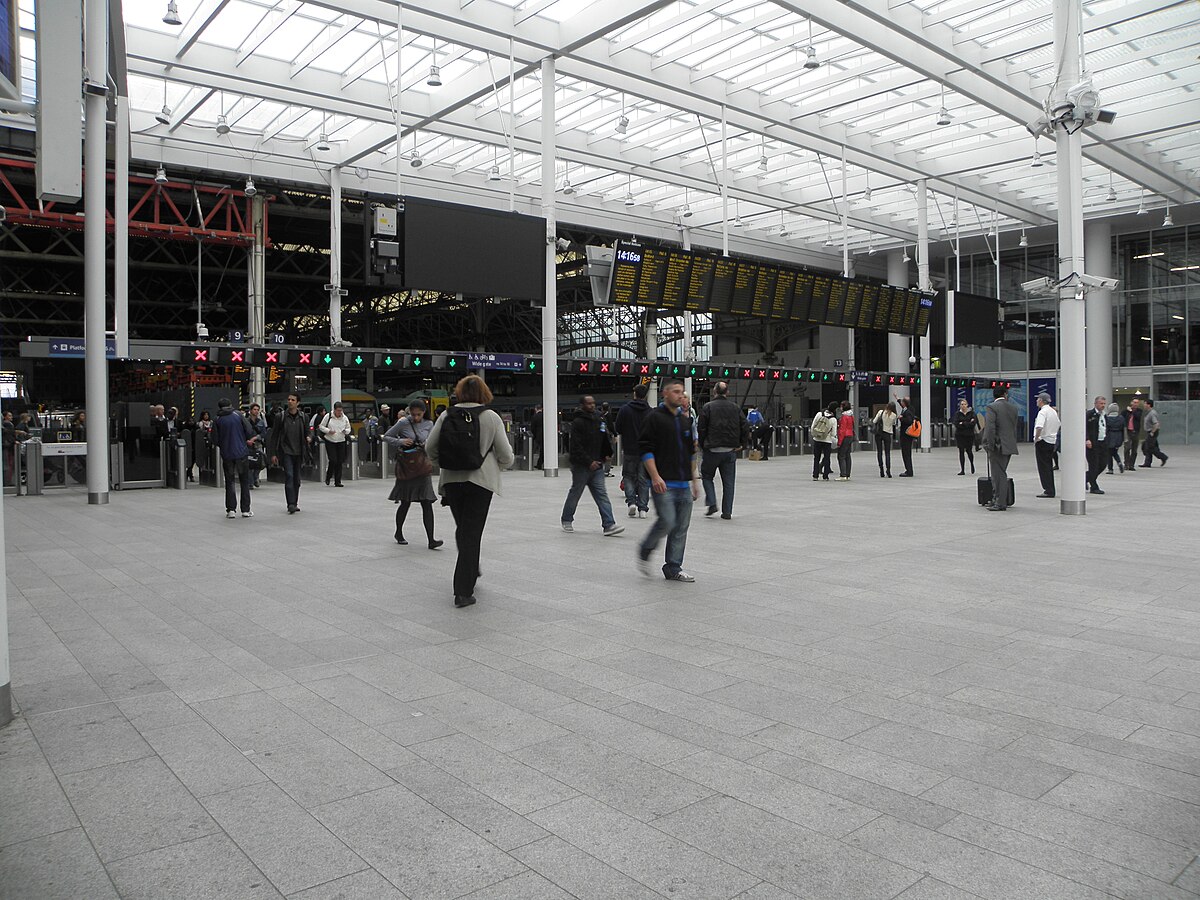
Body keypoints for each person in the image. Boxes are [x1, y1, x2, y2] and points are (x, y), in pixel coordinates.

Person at [426, 375, 515, 608]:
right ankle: (463, 591)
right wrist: (497, 466)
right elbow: (506, 455)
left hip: (452, 481)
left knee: (464, 529)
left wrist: (444, 462)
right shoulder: (491, 417)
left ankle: (471, 567)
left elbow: (429, 447)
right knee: (471, 533)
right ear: (484, 393)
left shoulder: (446, 415)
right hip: (480, 483)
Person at [635, 379, 699, 583]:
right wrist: (655, 476)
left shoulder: (684, 420)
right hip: (664, 483)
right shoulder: (654, 417)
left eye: (682, 392)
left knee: (681, 527)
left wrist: (695, 481)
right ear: (665, 394)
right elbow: (645, 449)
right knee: (668, 521)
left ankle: (673, 567)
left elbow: (691, 453)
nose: (681, 395)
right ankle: (646, 547)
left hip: (683, 484)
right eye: (676, 392)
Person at [382, 400, 443, 550]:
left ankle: (431, 539)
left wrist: (427, 443)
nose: (416, 417)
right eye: (413, 414)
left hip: (422, 466)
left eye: (419, 414)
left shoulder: (429, 424)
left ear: (424, 412)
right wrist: (401, 441)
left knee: (427, 502)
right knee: (405, 502)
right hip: (407, 467)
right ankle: (399, 532)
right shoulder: (403, 422)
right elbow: (386, 437)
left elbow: (435, 441)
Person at [560, 395, 623, 536]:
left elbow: (603, 438)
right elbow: (575, 446)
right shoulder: (578, 422)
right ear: (582, 405)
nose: (592, 406)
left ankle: (609, 525)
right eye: (589, 404)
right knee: (576, 493)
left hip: (598, 464)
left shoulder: (599, 419)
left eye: (593, 403)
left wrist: (607, 452)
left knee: (602, 495)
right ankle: (567, 519)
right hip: (582, 466)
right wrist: (589, 462)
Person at [697, 381, 749, 520]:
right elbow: (745, 426)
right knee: (729, 483)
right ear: (727, 392)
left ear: (714, 392)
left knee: (707, 477)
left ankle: (712, 502)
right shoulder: (735, 408)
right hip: (730, 450)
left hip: (712, 450)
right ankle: (727, 512)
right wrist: (742, 444)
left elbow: (701, 428)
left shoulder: (707, 407)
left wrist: (703, 445)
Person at [615, 384, 652, 518]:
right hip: (645, 451)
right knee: (643, 479)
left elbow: (618, 428)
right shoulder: (650, 412)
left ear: (634, 394)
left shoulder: (625, 410)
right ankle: (642, 509)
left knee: (628, 476)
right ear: (646, 395)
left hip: (629, 449)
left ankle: (631, 502)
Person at [213, 398, 254, 519]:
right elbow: (249, 430)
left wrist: (224, 445)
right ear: (230, 405)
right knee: (244, 481)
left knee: (230, 482)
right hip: (241, 453)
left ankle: (231, 510)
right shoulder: (238, 415)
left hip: (227, 454)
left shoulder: (217, 419)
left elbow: (215, 439)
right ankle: (245, 510)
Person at [981, 384, 1019, 511]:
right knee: (1001, 472)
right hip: (1009, 445)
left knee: (998, 475)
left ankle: (1000, 501)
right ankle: (997, 498)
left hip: (997, 446)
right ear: (1005, 394)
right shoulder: (1013, 408)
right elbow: (1013, 426)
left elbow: (990, 428)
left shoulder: (992, 407)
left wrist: (988, 444)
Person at [269, 393, 307, 514]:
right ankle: (290, 503)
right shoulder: (281, 417)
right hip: (286, 451)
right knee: (289, 476)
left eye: (293, 400)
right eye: (289, 399)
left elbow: (308, 432)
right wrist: (273, 453)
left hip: (299, 451)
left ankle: (295, 502)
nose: (290, 401)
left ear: (298, 403)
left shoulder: (303, 417)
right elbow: (274, 436)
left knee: (297, 479)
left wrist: (309, 437)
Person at [1032, 392, 1060, 499]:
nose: (1036, 401)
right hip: (1051, 441)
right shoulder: (1053, 412)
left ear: (1041, 401)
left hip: (1043, 441)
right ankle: (1051, 488)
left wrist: (1037, 438)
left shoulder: (1043, 412)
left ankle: (1048, 489)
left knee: (1043, 467)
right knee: (1048, 466)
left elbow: (1039, 426)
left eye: (1038, 399)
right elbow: (1058, 424)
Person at [319, 401, 352, 486]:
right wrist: (329, 431)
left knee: (339, 461)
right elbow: (321, 426)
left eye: (341, 410)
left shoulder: (344, 418)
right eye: (338, 410)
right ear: (334, 410)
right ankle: (329, 475)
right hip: (330, 440)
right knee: (333, 460)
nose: (339, 412)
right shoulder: (328, 416)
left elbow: (349, 428)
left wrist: (346, 431)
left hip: (341, 440)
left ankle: (338, 481)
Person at [1084, 396, 1108, 495]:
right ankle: (1094, 486)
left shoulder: (1104, 415)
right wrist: (1087, 439)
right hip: (1092, 444)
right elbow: (1084, 427)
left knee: (1103, 463)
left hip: (1102, 442)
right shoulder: (1090, 414)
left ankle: (1085, 478)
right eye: (1101, 403)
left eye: (1104, 404)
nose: (1103, 406)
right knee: (1093, 465)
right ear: (1096, 404)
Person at [810, 402, 837, 481]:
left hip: (817, 439)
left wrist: (814, 435)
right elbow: (834, 433)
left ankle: (815, 475)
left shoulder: (819, 414)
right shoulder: (833, 419)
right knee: (826, 458)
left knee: (816, 458)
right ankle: (825, 476)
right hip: (827, 440)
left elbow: (813, 425)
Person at [952, 398, 980, 476]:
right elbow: (956, 424)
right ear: (960, 406)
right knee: (961, 451)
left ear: (967, 405)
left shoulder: (972, 413)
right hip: (960, 435)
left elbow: (973, 423)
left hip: (969, 435)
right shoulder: (957, 414)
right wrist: (967, 423)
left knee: (969, 451)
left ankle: (972, 464)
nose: (963, 406)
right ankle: (962, 469)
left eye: (965, 404)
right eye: (962, 404)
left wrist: (963, 423)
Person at [871, 402, 898, 478]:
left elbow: (874, 421)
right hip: (887, 434)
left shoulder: (881, 412)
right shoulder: (894, 415)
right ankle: (888, 470)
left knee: (879, 452)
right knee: (887, 453)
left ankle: (881, 470)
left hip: (879, 434)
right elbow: (893, 424)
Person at [1139, 399, 1168, 467]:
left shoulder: (1152, 413)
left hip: (1152, 432)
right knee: (1150, 447)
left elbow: (1156, 423)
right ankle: (1148, 463)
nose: (1144, 405)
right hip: (1150, 432)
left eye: (1145, 403)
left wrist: (1152, 432)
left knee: (1149, 447)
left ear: (1149, 405)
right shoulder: (1149, 412)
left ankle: (1163, 457)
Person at [246, 403, 267, 487]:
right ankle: (250, 482)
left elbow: (264, 433)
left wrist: (256, 438)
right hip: (248, 445)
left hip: (258, 444)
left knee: (260, 463)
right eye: (254, 409)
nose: (256, 411)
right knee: (249, 463)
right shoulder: (246, 421)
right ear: (251, 410)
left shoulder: (261, 422)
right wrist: (247, 440)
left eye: (257, 410)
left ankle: (256, 477)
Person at [897, 397, 917, 477]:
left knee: (906, 453)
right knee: (906, 453)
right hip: (907, 436)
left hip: (906, 436)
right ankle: (908, 469)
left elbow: (908, 421)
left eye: (902, 401)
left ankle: (909, 471)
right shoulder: (908, 409)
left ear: (904, 403)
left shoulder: (908, 412)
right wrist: (897, 399)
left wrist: (901, 418)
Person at [1122, 398, 1144, 472]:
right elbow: (1122, 418)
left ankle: (1131, 465)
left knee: (1134, 449)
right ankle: (1126, 464)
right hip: (1127, 431)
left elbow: (1138, 418)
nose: (1135, 404)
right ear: (1131, 402)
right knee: (1127, 448)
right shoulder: (1126, 411)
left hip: (1135, 431)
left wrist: (1132, 412)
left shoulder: (1139, 411)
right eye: (1134, 402)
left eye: (1137, 403)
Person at [1104, 402, 1125, 475]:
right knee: (1115, 452)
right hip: (1118, 436)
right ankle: (1119, 462)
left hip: (1110, 436)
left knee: (1109, 453)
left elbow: (1106, 429)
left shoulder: (1107, 418)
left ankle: (1110, 469)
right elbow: (1123, 428)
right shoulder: (1121, 418)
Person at [531, 403, 545, 470]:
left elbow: (533, 427)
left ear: (536, 409)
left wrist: (534, 435)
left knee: (537, 450)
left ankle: (539, 464)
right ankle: (540, 464)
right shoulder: (545, 415)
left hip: (538, 436)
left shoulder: (535, 416)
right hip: (546, 435)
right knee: (543, 450)